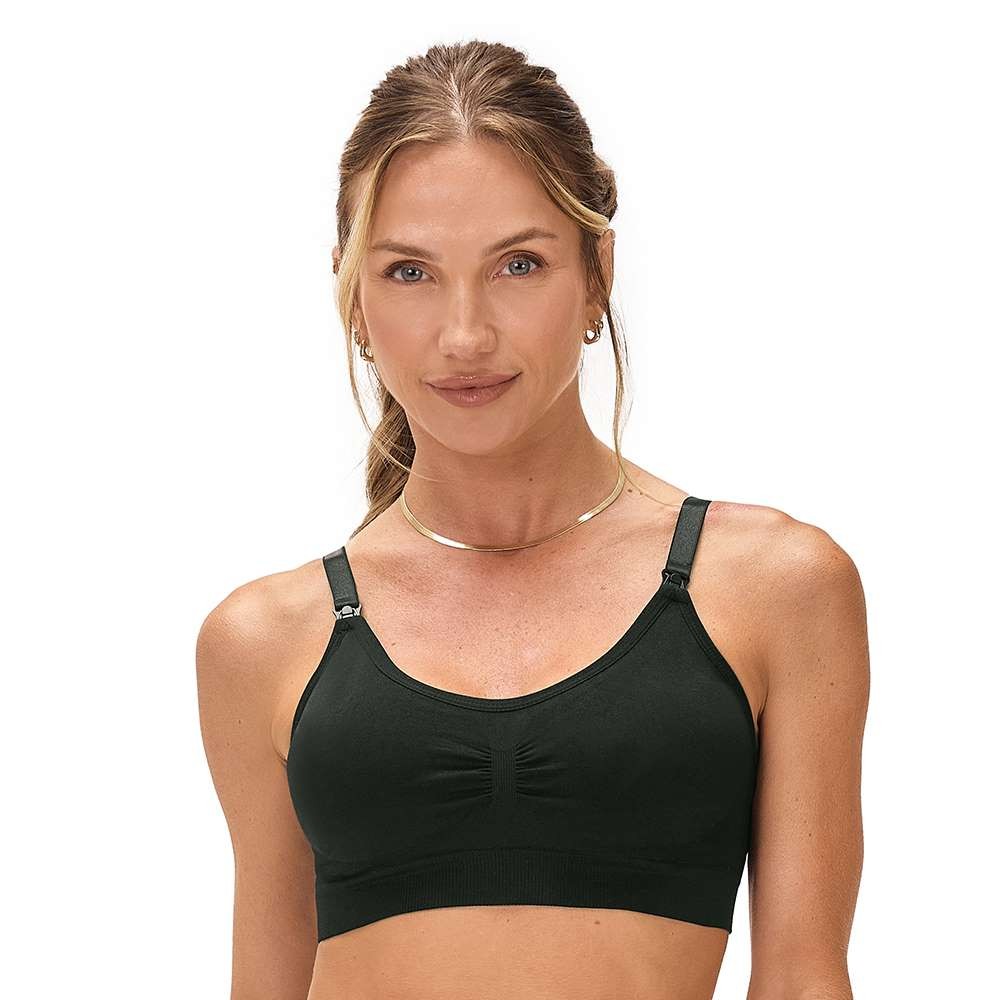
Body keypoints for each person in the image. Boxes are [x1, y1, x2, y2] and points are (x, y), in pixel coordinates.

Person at [196, 39, 869, 1000]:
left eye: (518, 264)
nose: (465, 334)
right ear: (351, 295)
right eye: (409, 273)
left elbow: (804, 978)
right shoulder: (263, 641)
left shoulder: (773, 588)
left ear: (596, 272)